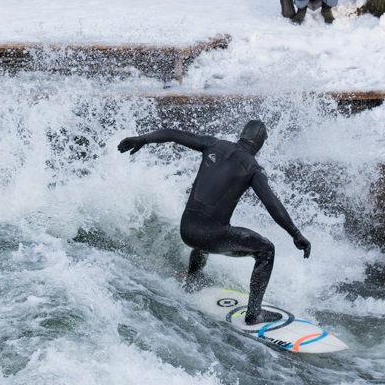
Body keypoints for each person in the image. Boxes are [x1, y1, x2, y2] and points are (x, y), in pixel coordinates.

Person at [116, 121, 312, 327]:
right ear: (261, 144)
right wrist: (295, 234)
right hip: (210, 236)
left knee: (210, 228)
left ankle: (193, 278)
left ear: (242, 134)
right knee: (266, 250)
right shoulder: (252, 168)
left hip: (187, 230)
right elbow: (273, 204)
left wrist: (142, 139)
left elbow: (171, 133)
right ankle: (254, 314)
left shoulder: (214, 144)